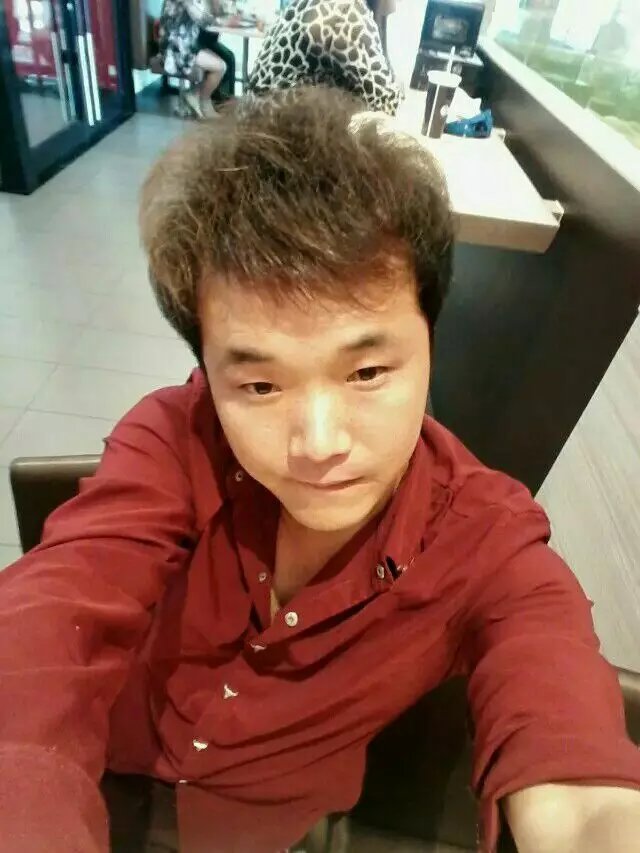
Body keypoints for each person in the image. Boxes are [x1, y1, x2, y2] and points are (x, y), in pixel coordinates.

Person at [1, 86, 640, 853]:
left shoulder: (486, 542)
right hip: (103, 787)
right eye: (260, 385)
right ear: (207, 367)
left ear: (430, 339)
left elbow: (578, 777)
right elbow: (50, 616)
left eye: (366, 371)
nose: (319, 441)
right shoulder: (174, 439)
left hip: (259, 833)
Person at [248, 0, 400, 115]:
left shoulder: (308, 3)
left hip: (255, 123)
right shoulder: (346, 13)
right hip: (279, 131)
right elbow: (385, 105)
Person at [158, 0, 228, 118]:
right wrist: (224, 22)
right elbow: (202, 19)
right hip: (176, 49)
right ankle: (203, 101)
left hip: (183, 42)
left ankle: (195, 94)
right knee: (221, 67)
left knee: (223, 55)